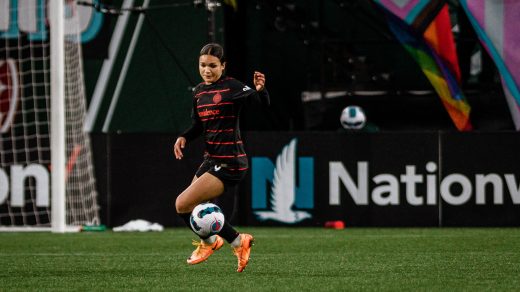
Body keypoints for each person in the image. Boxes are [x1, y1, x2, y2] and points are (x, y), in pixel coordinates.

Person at [173, 43, 269, 273]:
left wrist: (260, 90)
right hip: (211, 160)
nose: (207, 70)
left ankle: (213, 242)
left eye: (213, 66)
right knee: (191, 208)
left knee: (182, 205)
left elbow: (261, 105)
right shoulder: (198, 92)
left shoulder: (231, 87)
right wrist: (184, 137)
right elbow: (198, 125)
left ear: (223, 66)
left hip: (230, 162)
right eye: (203, 65)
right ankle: (235, 241)